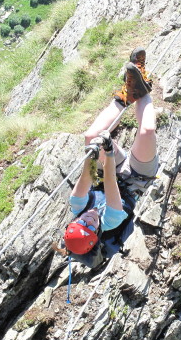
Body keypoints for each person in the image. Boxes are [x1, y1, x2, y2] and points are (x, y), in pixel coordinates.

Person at [62, 47, 158, 268]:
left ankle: (126, 95)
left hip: (113, 173)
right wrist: (108, 152)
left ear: (74, 222)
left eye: (81, 222)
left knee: (91, 136)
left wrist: (93, 154)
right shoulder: (110, 222)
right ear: (96, 233)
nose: (88, 219)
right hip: (137, 179)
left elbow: (87, 178)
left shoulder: (78, 206)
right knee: (147, 132)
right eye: (89, 226)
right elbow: (111, 185)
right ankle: (141, 87)